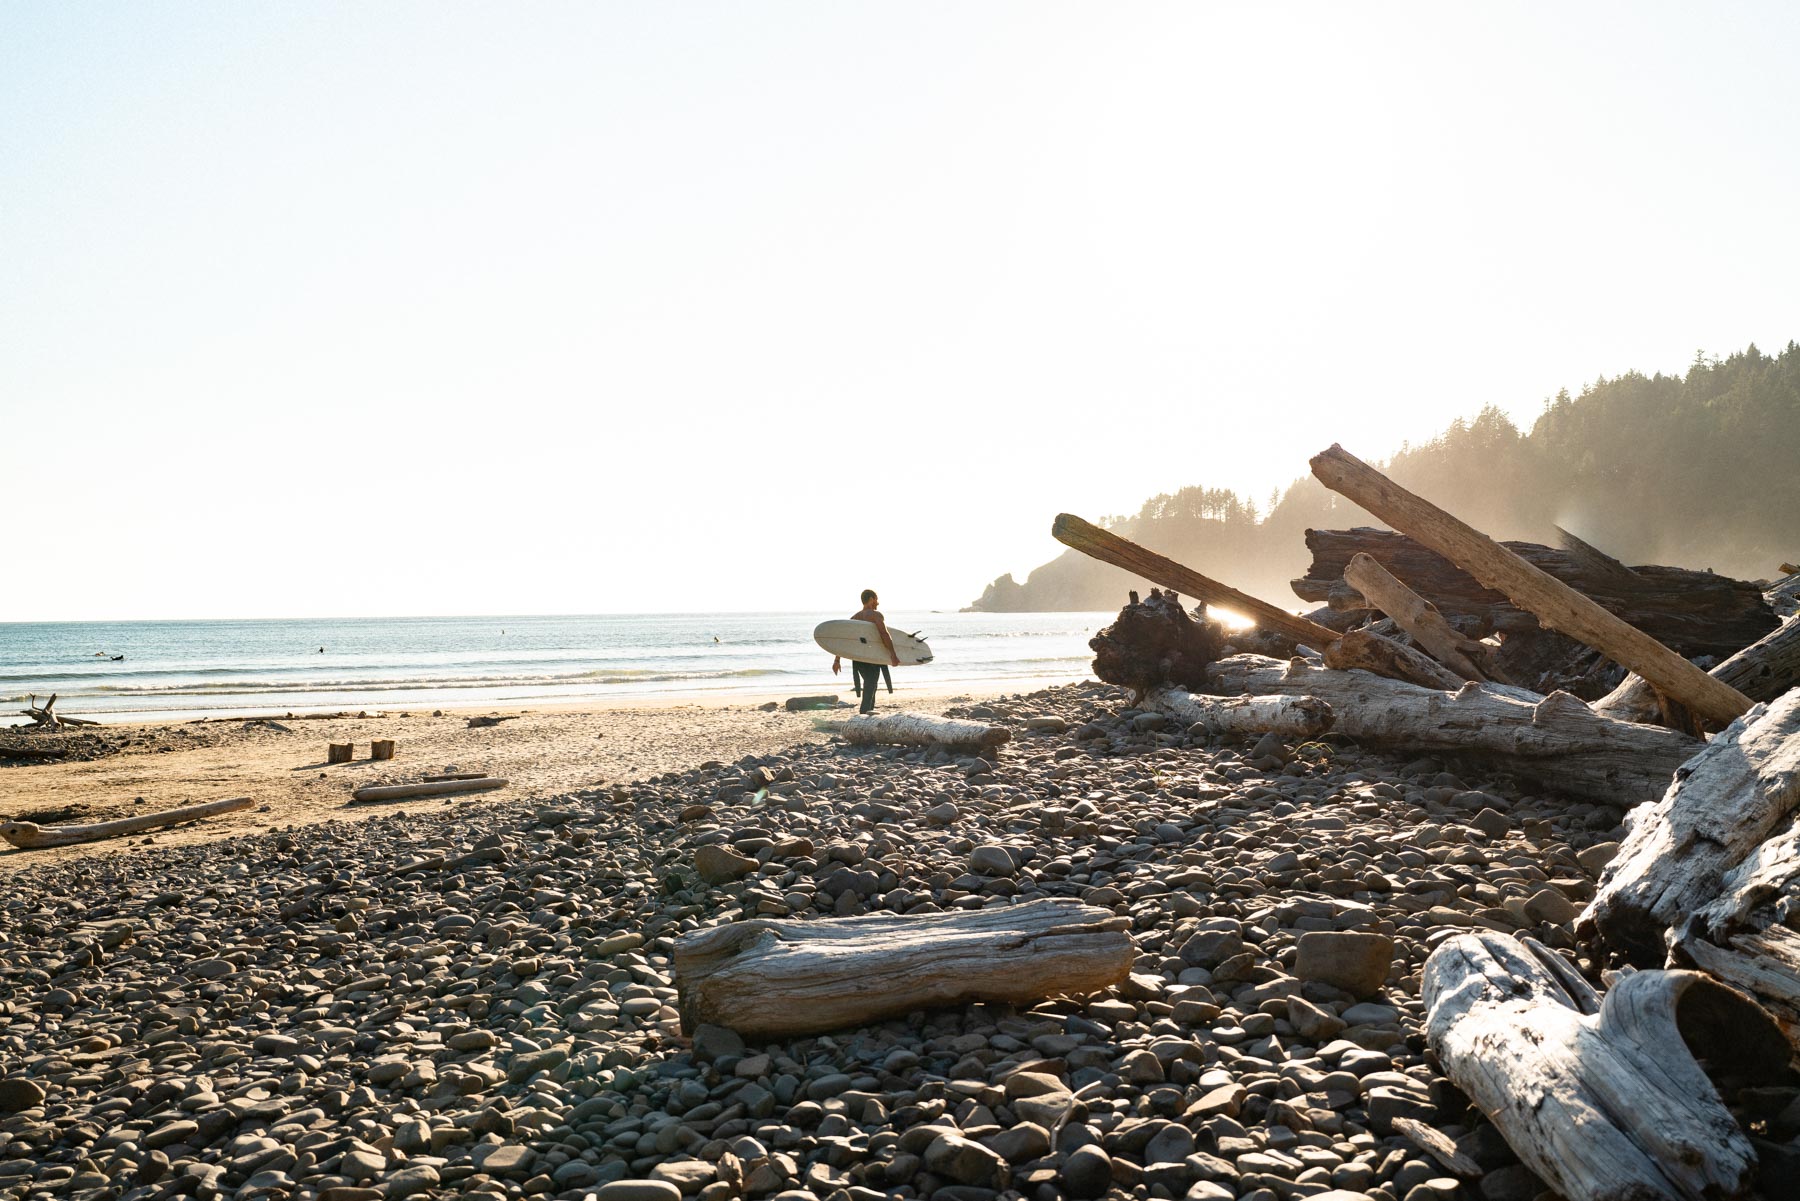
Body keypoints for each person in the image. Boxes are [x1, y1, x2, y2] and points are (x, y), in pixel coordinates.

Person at [831, 588, 899, 714]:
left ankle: (868, 714)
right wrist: (893, 654)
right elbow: (884, 634)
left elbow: (843, 641)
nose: (878, 602)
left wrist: (837, 660)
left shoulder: (853, 618)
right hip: (872, 658)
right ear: (871, 599)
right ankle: (864, 715)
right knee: (870, 686)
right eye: (876, 599)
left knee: (871, 686)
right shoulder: (875, 615)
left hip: (858, 659)